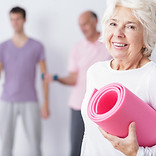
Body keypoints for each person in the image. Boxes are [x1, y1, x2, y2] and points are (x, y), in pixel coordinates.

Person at [81, 0, 156, 155]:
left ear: (146, 37)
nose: (118, 33)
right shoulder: (96, 71)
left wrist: (137, 153)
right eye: (113, 24)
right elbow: (90, 135)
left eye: (130, 26)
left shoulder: (151, 77)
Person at [45, 11, 111, 156]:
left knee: (104, 147)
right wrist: (56, 77)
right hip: (78, 105)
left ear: (95, 21)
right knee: (76, 148)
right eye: (80, 25)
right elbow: (73, 78)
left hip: (103, 107)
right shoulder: (77, 48)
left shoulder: (109, 43)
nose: (82, 28)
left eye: (85, 23)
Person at [0, 6, 50, 156]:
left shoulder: (37, 46)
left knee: (35, 144)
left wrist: (46, 103)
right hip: (7, 100)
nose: (14, 23)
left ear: (24, 20)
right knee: (5, 144)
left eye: (17, 19)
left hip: (30, 100)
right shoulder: (3, 47)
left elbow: (44, 76)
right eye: (12, 19)